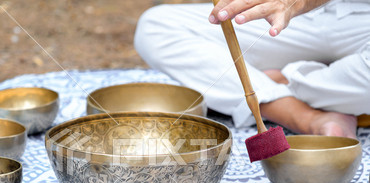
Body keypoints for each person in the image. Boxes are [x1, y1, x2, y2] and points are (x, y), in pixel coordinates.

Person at [134, 0, 370, 138]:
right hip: (293, 18)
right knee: (156, 26)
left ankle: (283, 81)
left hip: (359, 21)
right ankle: (307, 116)